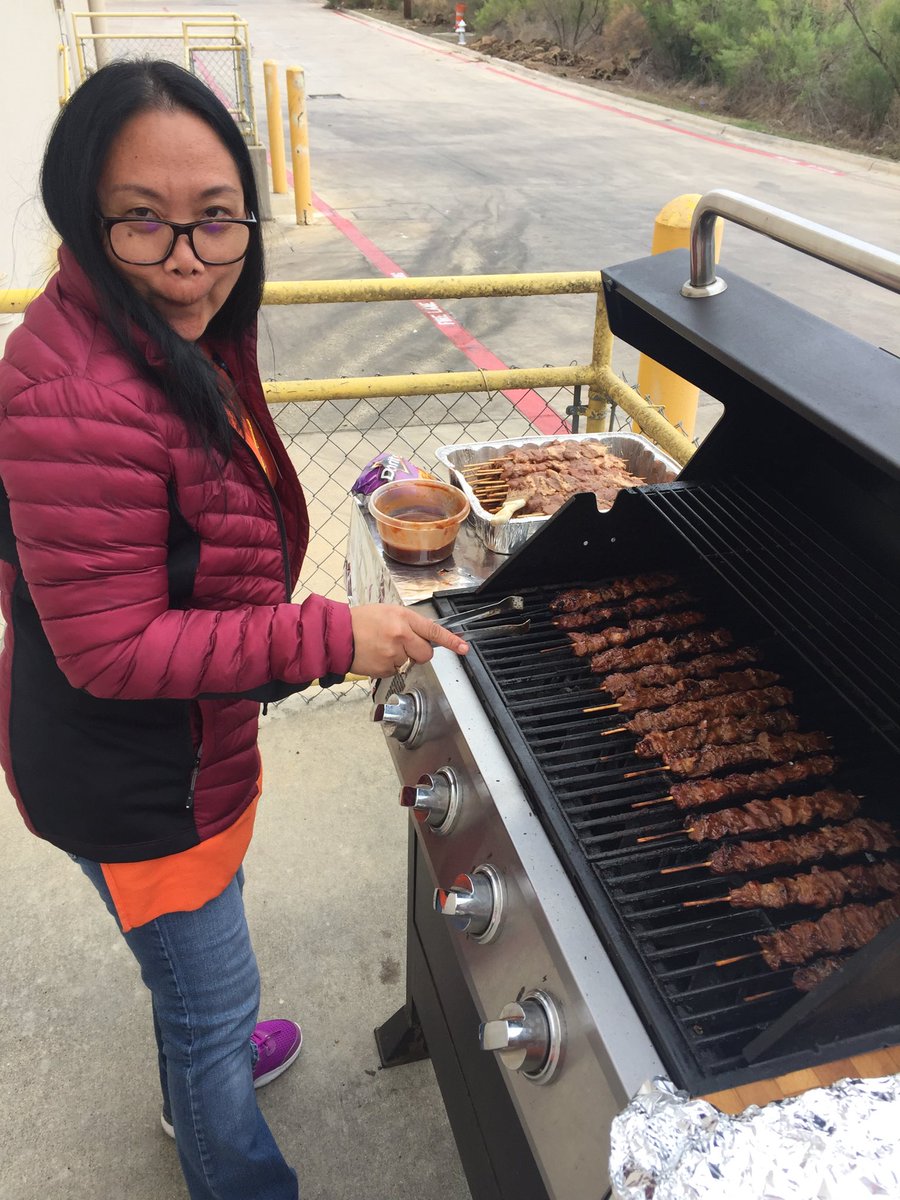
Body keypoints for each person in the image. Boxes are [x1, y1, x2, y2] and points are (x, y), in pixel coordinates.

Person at [0, 59, 467, 1200]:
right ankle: (228, 1142)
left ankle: (202, 1031)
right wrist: (324, 635)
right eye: (142, 225)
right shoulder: (78, 392)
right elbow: (109, 648)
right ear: (82, 216)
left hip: (181, 751)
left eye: (217, 221)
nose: (191, 262)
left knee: (203, 964)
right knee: (210, 1004)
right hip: (133, 777)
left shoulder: (174, 329)